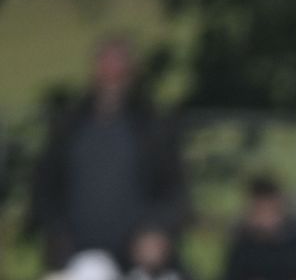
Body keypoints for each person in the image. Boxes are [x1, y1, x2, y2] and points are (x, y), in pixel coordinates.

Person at [28, 36, 186, 267]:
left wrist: (157, 230)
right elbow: (44, 189)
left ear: (131, 74)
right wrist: (56, 234)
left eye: (119, 71)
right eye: (106, 69)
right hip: (74, 254)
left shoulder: (151, 127)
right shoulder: (69, 127)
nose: (112, 78)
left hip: (135, 258)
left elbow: (175, 192)